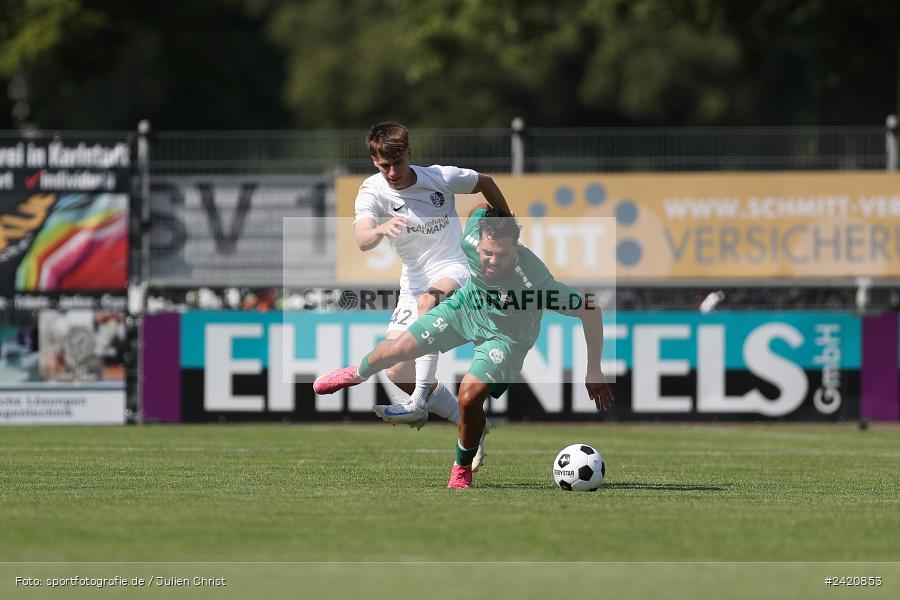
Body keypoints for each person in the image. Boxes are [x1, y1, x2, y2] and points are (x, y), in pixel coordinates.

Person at [315, 205, 614, 488]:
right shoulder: (472, 234)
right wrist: (502, 213)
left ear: (515, 250)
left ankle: (461, 469)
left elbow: (590, 309)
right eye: (486, 253)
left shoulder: (536, 283)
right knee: (395, 349)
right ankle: (355, 374)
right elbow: (479, 205)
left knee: (469, 397)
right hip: (465, 308)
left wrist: (594, 370)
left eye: (502, 255)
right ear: (478, 241)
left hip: (506, 338)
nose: (492, 261)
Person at [352, 122, 511, 468]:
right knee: (395, 370)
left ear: (409, 153)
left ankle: (417, 403)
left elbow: (486, 183)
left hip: (456, 268)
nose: (392, 172)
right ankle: (471, 425)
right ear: (374, 162)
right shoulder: (372, 191)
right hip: (412, 283)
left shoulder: (440, 178)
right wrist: (379, 228)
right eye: (384, 165)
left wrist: (507, 219)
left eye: (397, 162)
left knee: (430, 303)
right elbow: (362, 238)